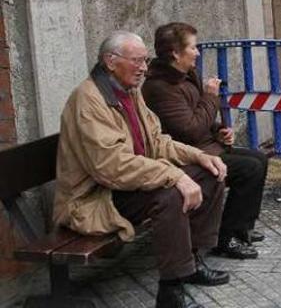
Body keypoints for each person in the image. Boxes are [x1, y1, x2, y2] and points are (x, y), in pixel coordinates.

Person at [54, 31, 229, 308]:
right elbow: (111, 167)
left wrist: (199, 156)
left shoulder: (129, 91)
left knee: (212, 172)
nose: (144, 68)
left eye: (145, 60)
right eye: (137, 61)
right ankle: (171, 290)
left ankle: (191, 261)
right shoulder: (88, 100)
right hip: (97, 197)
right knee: (170, 195)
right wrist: (175, 175)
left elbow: (157, 141)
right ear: (110, 62)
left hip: (127, 185)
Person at [142, 22, 268, 261]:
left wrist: (220, 130)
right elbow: (189, 130)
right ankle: (226, 238)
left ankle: (240, 228)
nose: (198, 53)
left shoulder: (185, 76)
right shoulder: (160, 87)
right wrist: (211, 97)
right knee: (249, 169)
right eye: (193, 47)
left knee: (258, 158)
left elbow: (198, 119)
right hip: (184, 157)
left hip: (204, 147)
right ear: (175, 53)